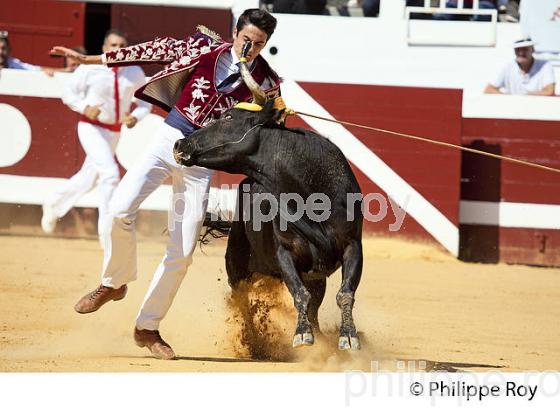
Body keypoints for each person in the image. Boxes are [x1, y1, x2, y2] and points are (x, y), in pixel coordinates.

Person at [50, 8, 281, 360]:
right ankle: (115, 282)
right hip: (168, 139)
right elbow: (152, 50)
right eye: (247, 39)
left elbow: (271, 123)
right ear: (235, 33)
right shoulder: (204, 48)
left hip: (202, 161)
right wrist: (90, 58)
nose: (251, 48)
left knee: (183, 249)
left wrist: (278, 110)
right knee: (118, 208)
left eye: (259, 44)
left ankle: (147, 327)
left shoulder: (266, 82)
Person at [41, 30, 151, 241]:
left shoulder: (134, 72)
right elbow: (68, 93)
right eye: (113, 45)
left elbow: (145, 101)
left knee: (89, 179)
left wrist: (136, 116)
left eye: (121, 46)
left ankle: (53, 205)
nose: (117, 50)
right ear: (104, 48)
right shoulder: (89, 68)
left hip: (114, 132)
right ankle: (107, 233)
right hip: (91, 127)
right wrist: (84, 107)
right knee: (110, 174)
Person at [484, 37, 556, 96]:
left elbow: (549, 91)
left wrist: (523, 97)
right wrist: (510, 98)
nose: (521, 53)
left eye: (525, 49)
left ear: (533, 50)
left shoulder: (545, 65)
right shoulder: (507, 67)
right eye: (517, 49)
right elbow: (489, 89)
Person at [0, 30, 71, 75]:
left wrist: (65, 70)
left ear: (9, 50)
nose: (0, 52)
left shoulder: (14, 64)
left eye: (3, 48)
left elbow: (36, 69)